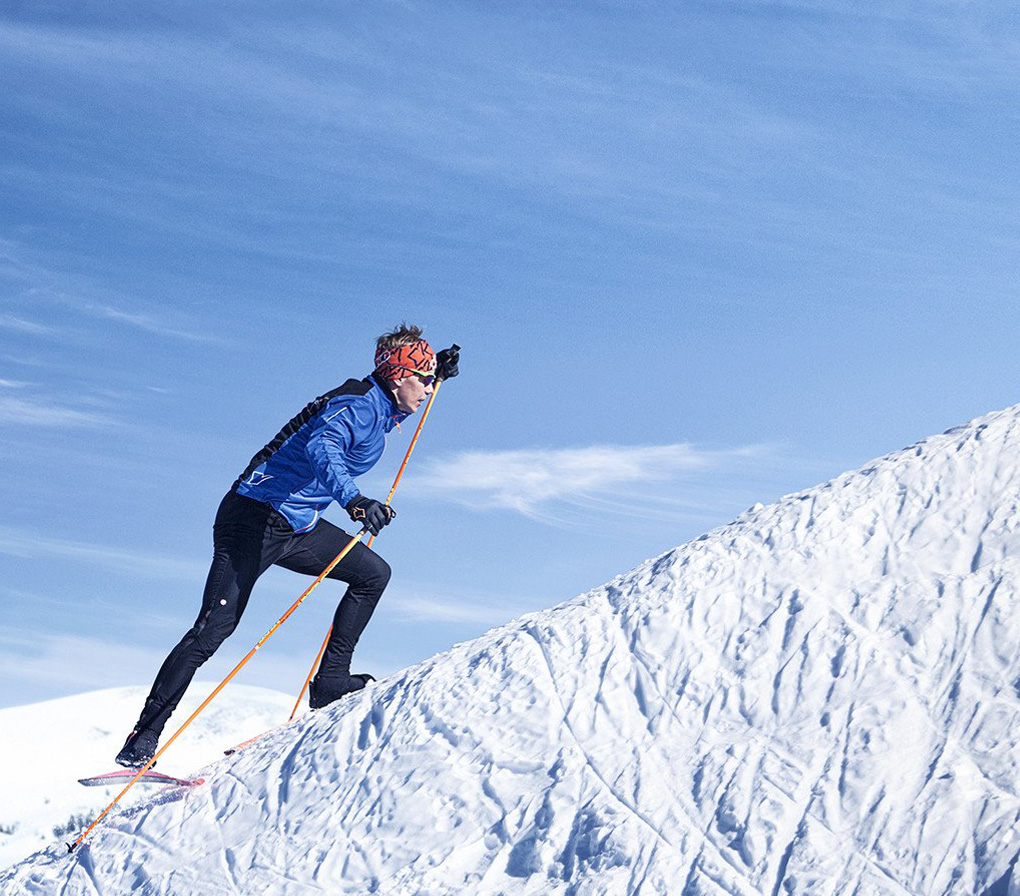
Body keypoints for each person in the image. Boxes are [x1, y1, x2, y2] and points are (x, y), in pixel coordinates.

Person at [115, 324, 459, 768]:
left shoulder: (379, 405)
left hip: (296, 526)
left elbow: (387, 415)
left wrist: (440, 376)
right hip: (252, 517)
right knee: (213, 630)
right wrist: (354, 501)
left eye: (432, 380)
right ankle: (141, 740)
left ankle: (331, 681)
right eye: (423, 379)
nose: (428, 389)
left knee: (372, 574)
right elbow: (323, 448)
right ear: (398, 376)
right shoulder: (354, 405)